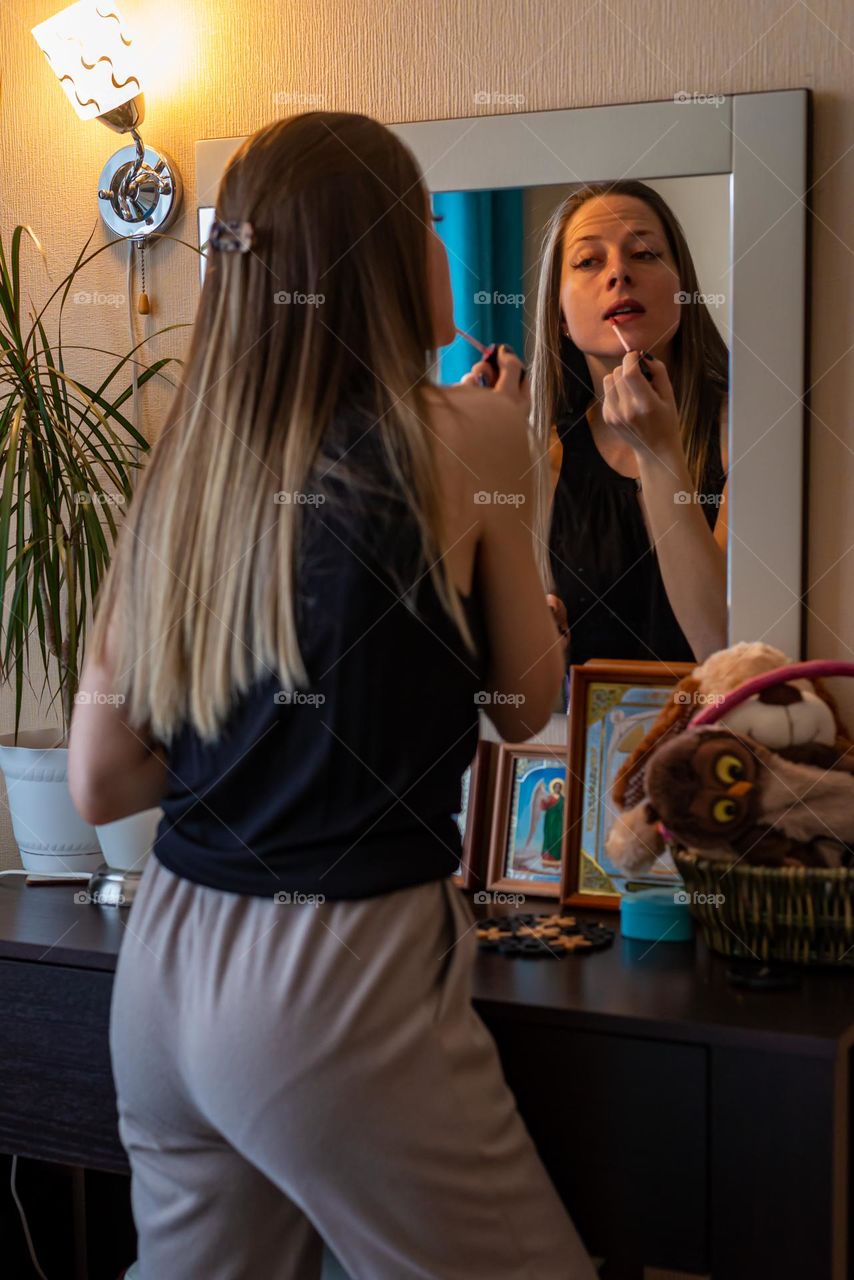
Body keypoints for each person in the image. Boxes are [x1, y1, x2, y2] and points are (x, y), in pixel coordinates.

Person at [67, 112, 597, 1280]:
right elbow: (522, 706)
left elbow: (101, 778)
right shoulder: (468, 432)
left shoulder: (187, 464)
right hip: (333, 975)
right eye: (423, 223)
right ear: (394, 254)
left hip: (164, 970)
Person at [525, 181, 730, 669]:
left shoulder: (748, 433)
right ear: (560, 317)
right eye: (588, 262)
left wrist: (659, 453)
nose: (618, 273)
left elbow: (724, 647)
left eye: (644, 253)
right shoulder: (542, 456)